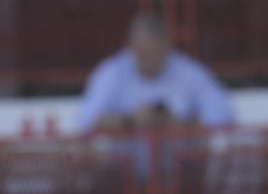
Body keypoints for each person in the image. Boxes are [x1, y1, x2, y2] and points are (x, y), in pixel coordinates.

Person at [78, 12, 234, 134]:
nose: (149, 60)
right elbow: (85, 120)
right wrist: (130, 121)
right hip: (123, 171)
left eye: (155, 53)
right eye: (143, 53)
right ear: (131, 46)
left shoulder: (190, 72)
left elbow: (223, 115)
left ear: (167, 45)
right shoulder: (111, 73)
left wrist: (183, 124)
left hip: (183, 172)